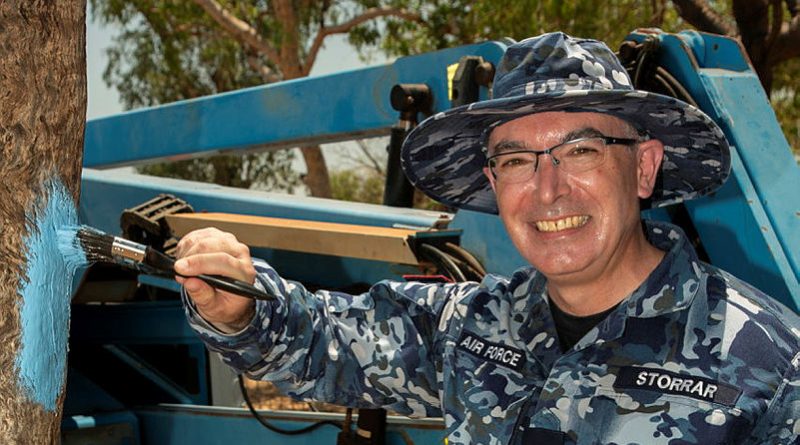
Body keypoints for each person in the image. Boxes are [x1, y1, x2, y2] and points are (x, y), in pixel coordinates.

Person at [174, 32, 800, 444]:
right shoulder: (470, 326)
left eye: (580, 150)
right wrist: (239, 302)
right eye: (516, 160)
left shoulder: (771, 368)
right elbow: (320, 341)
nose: (548, 189)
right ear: (492, 181)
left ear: (643, 166)